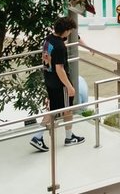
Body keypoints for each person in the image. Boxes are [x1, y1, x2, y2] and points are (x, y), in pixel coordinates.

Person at [30, 16, 82, 152]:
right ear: (65, 31)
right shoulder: (60, 46)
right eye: (69, 30)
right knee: (66, 109)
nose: (70, 33)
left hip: (49, 78)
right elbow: (60, 68)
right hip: (60, 83)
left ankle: (38, 135)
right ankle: (68, 137)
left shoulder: (48, 39)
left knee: (54, 108)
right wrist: (69, 86)